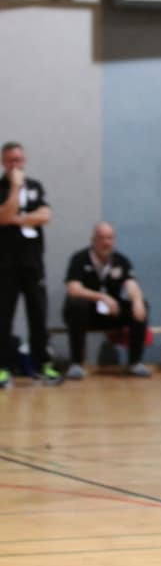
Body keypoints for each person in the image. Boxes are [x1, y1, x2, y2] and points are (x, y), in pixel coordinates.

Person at [0, 142, 61, 388]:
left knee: (38, 315)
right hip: (5, 265)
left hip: (33, 264)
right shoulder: (2, 187)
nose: (15, 164)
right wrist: (15, 188)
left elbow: (46, 216)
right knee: (3, 317)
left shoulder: (35, 186)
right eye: (10, 160)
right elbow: (4, 216)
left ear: (24, 160)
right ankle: (3, 368)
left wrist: (18, 218)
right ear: (3, 162)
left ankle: (42, 365)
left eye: (19, 160)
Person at [62, 222, 152, 378]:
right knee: (76, 304)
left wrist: (138, 301)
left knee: (141, 305)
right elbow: (73, 289)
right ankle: (76, 364)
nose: (106, 242)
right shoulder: (79, 259)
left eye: (109, 238)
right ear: (93, 240)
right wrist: (102, 297)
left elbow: (131, 285)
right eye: (101, 238)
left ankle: (135, 363)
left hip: (111, 313)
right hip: (87, 313)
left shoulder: (121, 261)